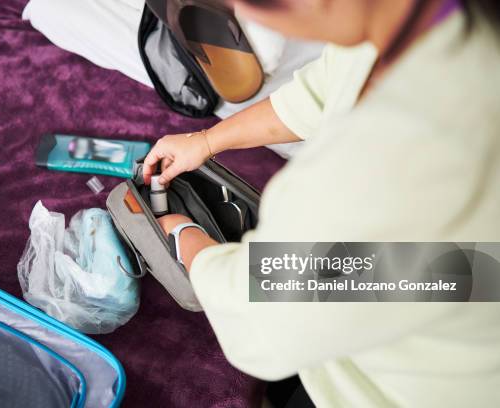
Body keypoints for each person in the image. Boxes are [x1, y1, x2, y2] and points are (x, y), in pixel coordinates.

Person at [142, 0, 500, 406]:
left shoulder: (389, 176)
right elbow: (323, 90)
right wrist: (205, 141)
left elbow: (262, 325)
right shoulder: (421, 25)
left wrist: (182, 236)